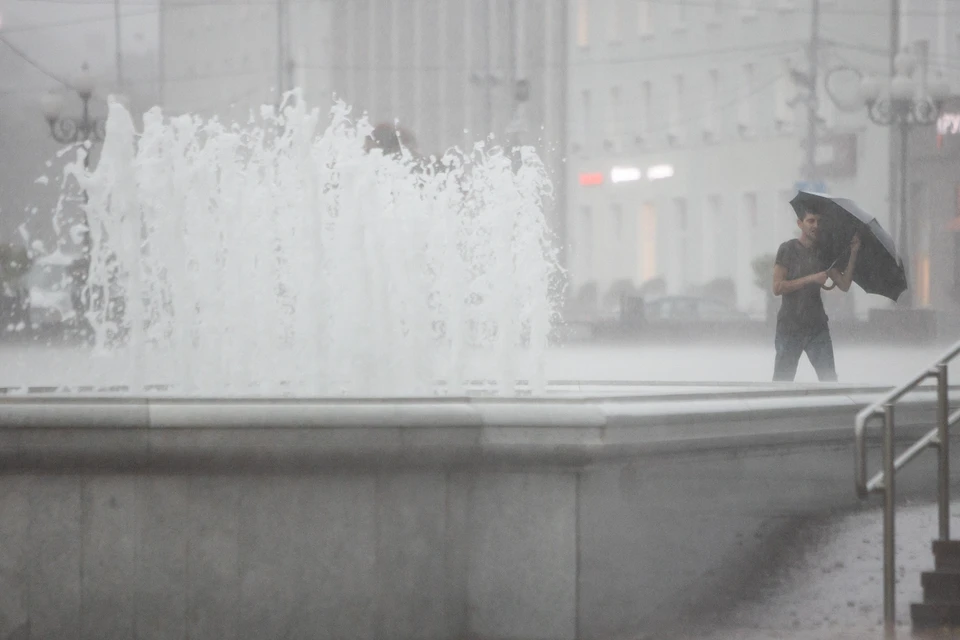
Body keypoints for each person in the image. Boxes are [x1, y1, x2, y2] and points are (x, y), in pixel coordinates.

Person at [772, 208, 861, 382]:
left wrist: (854, 253)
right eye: (811, 221)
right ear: (800, 224)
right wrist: (812, 278)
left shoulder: (823, 253)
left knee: (829, 380)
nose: (816, 225)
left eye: (819, 221)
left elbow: (843, 284)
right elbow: (777, 287)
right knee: (782, 382)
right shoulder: (787, 249)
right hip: (789, 326)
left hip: (817, 327)